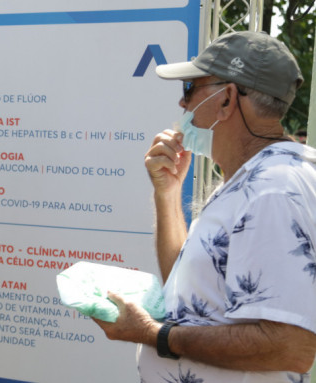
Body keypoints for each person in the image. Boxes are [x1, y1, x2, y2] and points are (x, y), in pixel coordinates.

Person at [93, 31, 316, 381]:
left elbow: (291, 347)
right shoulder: (252, 179)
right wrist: (167, 193)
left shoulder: (272, 191)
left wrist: (151, 333)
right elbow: (187, 298)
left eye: (189, 90)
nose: (182, 105)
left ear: (227, 99)